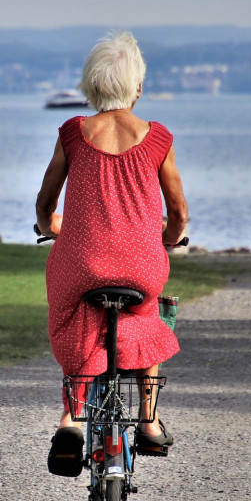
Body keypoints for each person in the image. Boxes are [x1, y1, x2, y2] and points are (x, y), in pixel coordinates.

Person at [35, 31, 188, 476]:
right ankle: (150, 419)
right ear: (136, 86)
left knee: (76, 313)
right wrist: (170, 238)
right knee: (146, 317)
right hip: (141, 266)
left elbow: (46, 205)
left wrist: (52, 229)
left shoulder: (73, 133)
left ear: (90, 85)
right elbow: (177, 212)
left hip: (81, 263)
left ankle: (72, 420)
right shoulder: (158, 138)